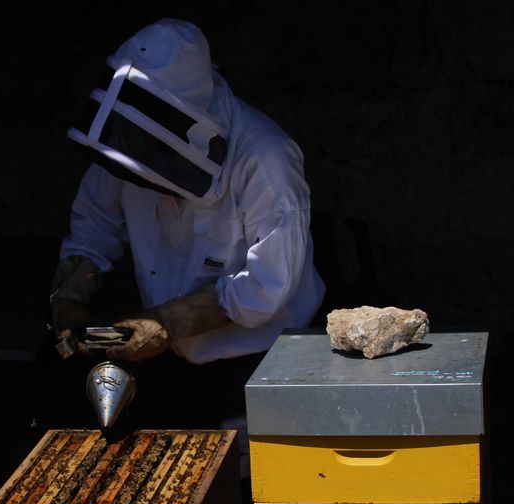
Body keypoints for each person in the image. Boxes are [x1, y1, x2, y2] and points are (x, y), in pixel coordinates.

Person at [50, 18, 324, 425]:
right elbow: (95, 221)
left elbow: (265, 288)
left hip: (262, 363)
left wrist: (165, 323)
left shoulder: (266, 157)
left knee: (248, 480)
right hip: (174, 365)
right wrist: (69, 297)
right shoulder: (129, 132)